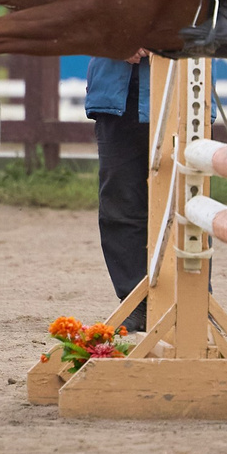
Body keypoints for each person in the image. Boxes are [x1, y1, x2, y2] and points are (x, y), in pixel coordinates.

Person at [83, 53, 151, 333]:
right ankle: (134, 301)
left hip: (182, 87)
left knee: (185, 203)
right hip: (114, 91)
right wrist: (120, 38)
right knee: (119, 200)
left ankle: (192, 299)